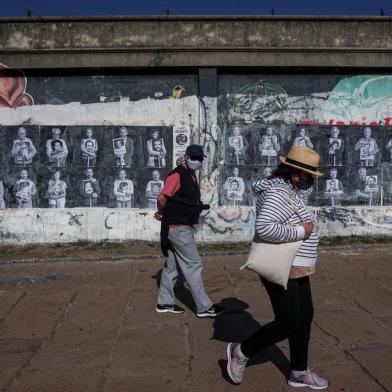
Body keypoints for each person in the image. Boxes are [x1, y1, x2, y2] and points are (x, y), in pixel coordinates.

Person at [226, 145, 328, 390]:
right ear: (294, 172)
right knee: (288, 321)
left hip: (298, 265)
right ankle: (241, 351)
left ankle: (299, 372)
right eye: (308, 176)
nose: (311, 180)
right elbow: (265, 228)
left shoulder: (291, 192)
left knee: (305, 316)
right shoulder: (278, 193)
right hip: (284, 266)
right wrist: (300, 231)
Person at [154, 144, 225, 318]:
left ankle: (164, 303)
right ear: (186, 157)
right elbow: (162, 197)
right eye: (193, 158)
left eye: (199, 158)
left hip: (178, 227)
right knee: (194, 264)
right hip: (178, 228)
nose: (197, 161)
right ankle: (204, 307)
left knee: (173, 266)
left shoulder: (190, 174)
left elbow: (181, 199)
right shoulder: (177, 175)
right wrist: (162, 213)